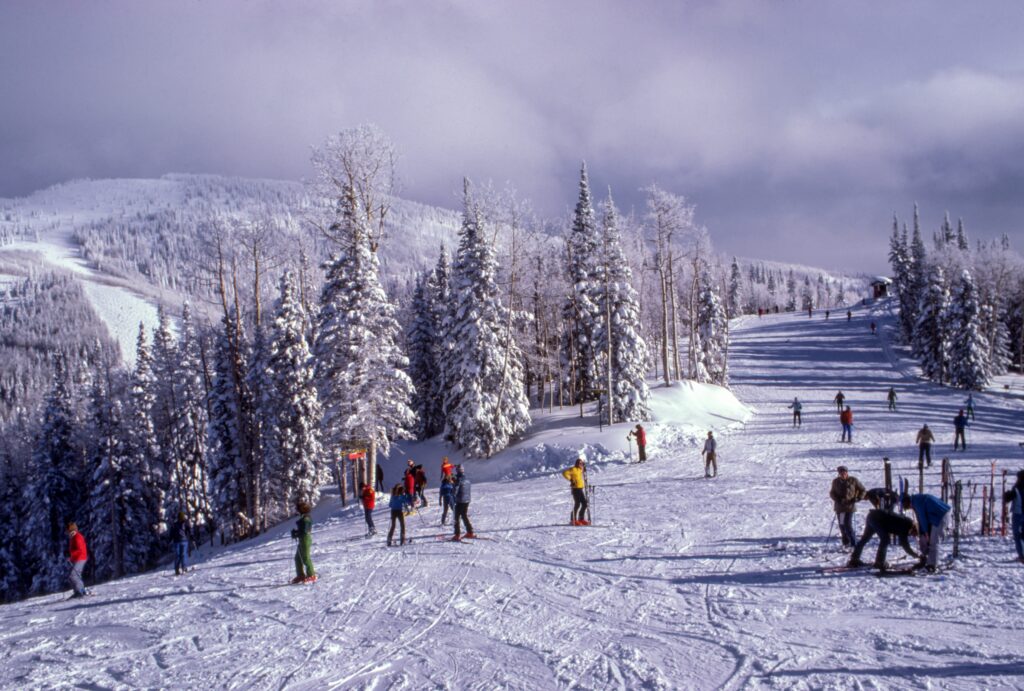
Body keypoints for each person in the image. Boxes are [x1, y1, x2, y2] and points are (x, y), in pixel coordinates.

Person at [847, 491, 920, 570]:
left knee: (865, 539)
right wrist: (914, 555)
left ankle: (854, 559)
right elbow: (904, 543)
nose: (913, 536)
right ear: (914, 529)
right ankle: (880, 562)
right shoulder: (906, 526)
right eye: (914, 534)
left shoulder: (907, 524)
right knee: (885, 539)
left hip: (873, 516)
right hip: (877, 519)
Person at [902, 492, 952, 572]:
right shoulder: (916, 499)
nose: (909, 508)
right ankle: (928, 560)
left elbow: (923, 519)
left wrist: (925, 533)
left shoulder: (917, 503)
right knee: (929, 540)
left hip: (940, 516)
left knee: (933, 541)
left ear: (907, 502)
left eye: (908, 507)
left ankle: (932, 565)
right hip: (936, 516)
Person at [830, 466, 866, 549]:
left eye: (844, 472)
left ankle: (854, 544)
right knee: (842, 526)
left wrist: (858, 498)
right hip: (840, 507)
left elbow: (863, 490)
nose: (843, 474)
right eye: (841, 473)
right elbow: (832, 493)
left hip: (850, 506)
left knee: (848, 525)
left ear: (847, 472)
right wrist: (837, 499)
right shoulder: (836, 481)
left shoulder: (853, 480)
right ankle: (846, 543)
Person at [291, 501, 316, 584]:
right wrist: (296, 532)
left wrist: (296, 533)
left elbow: (305, 531)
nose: (297, 511)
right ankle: (301, 575)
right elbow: (302, 530)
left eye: (298, 509)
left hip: (305, 539)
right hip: (302, 540)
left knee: (305, 558)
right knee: (297, 558)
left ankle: (311, 575)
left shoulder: (306, 518)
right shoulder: (304, 517)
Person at [1002, 470, 1024, 563]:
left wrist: (1005, 495)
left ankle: (1021, 556)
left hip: (1019, 514)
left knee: (1017, 535)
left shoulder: (1017, 488)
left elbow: (1008, 498)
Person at [561, 458, 589, 526]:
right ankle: (573, 519)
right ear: (576, 464)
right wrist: (571, 480)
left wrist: (584, 468)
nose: (581, 464)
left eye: (582, 463)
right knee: (577, 504)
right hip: (575, 489)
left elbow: (583, 471)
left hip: (580, 488)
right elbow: (564, 473)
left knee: (585, 504)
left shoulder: (580, 469)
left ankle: (581, 518)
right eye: (580, 463)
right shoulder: (573, 469)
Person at [66, 522, 89, 598]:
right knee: (74, 575)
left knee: (74, 575)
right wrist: (70, 556)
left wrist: (71, 555)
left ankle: (80, 591)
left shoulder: (77, 537)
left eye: (68, 531)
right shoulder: (73, 537)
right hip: (77, 558)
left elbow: (80, 550)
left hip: (81, 558)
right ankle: (78, 591)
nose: (67, 533)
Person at [452, 466, 475, 540]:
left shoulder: (458, 479)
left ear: (457, 471)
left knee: (456, 517)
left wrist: (452, 491)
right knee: (464, 515)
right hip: (467, 500)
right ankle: (470, 531)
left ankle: (457, 534)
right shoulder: (467, 479)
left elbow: (455, 489)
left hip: (460, 500)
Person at [170, 511, 190, 576]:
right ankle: (183, 568)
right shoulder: (185, 523)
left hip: (177, 541)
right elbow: (189, 531)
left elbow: (171, 533)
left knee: (178, 555)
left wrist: (170, 539)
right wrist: (192, 537)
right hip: (183, 541)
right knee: (183, 555)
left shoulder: (175, 524)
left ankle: (177, 569)